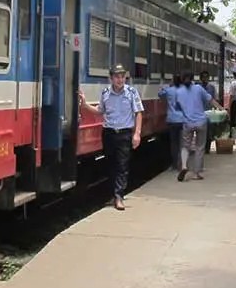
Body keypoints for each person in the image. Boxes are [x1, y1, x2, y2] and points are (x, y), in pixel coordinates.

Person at [78, 65, 144, 211]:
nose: (120, 80)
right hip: (109, 133)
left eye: (122, 77)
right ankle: (114, 195)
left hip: (125, 133)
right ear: (111, 78)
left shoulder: (132, 93)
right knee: (110, 164)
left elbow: (138, 112)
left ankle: (119, 196)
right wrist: (85, 105)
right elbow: (100, 111)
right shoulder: (106, 93)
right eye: (117, 77)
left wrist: (137, 133)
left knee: (122, 165)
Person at [174, 73, 223, 181]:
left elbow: (177, 108)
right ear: (192, 79)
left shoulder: (178, 92)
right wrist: (221, 108)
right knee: (199, 147)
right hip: (201, 122)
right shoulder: (198, 88)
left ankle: (184, 166)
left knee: (185, 146)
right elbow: (211, 100)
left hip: (187, 123)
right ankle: (196, 173)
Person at [158, 75, 186, 174]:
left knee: (174, 143)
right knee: (183, 143)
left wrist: (166, 86)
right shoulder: (185, 90)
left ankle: (174, 165)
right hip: (183, 119)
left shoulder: (169, 90)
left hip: (172, 120)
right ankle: (183, 164)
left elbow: (160, 94)